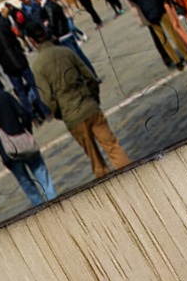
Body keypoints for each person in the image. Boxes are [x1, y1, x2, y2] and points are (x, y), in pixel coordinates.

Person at [26, 21, 130, 179]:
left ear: (32, 40)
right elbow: (90, 77)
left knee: (95, 160)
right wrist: (93, 98)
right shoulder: (66, 52)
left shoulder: (38, 66)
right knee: (113, 146)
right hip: (90, 106)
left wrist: (60, 113)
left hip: (72, 116)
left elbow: (47, 99)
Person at [0, 68, 57, 207]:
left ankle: (41, 207)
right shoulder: (4, 95)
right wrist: (26, 132)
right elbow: (24, 114)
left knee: (26, 183)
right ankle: (55, 201)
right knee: (42, 175)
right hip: (21, 138)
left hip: (7, 150)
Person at [0, 9, 50, 121]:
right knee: (34, 85)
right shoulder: (0, 24)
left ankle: (31, 116)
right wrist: (19, 49)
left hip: (6, 63)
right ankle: (45, 110)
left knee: (20, 91)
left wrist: (0, 58)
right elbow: (13, 39)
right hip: (17, 57)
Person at [40, 0, 99, 78]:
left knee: (75, 59)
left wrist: (49, 27)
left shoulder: (48, 7)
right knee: (81, 56)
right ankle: (93, 75)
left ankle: (89, 77)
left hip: (63, 36)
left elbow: (53, 22)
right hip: (67, 32)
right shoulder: (53, 4)